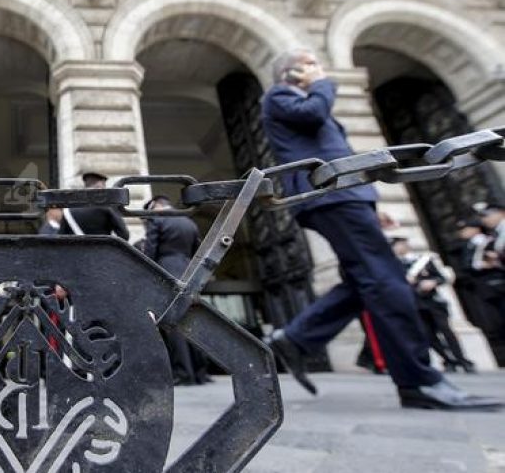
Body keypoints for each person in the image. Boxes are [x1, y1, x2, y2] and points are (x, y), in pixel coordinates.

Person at [259, 48, 500, 410]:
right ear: (291, 73)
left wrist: (369, 203)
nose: (318, 69)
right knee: (387, 281)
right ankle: (420, 381)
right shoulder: (280, 95)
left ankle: (296, 339)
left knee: (364, 280)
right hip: (332, 195)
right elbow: (313, 115)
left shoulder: (297, 97)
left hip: (344, 196)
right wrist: (322, 84)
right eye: (310, 64)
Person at [141, 195, 210, 385]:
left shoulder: (157, 219)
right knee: (192, 320)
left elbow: (150, 251)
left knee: (173, 323)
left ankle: (183, 373)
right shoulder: (188, 222)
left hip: (167, 270)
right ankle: (201, 372)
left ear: (155, 206)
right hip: (189, 271)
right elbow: (199, 249)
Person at [391, 236, 475, 373]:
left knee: (446, 331)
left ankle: (462, 359)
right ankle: (448, 359)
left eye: (399, 245)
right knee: (427, 334)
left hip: (432, 301)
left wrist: (433, 282)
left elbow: (441, 277)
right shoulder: (394, 264)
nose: (397, 248)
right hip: (414, 302)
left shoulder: (423, 261)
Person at [59, 172, 129, 239]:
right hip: (103, 250)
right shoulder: (107, 207)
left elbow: (61, 236)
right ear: (100, 186)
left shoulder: (69, 210)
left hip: (75, 251)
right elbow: (124, 235)